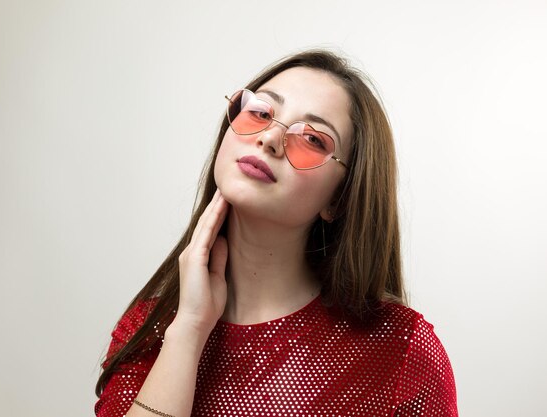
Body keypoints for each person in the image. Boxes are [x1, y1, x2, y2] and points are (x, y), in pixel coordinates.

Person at [94, 49, 458, 417]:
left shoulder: (399, 351)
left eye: (313, 139)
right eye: (261, 112)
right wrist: (187, 333)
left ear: (340, 199)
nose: (270, 138)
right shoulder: (149, 332)